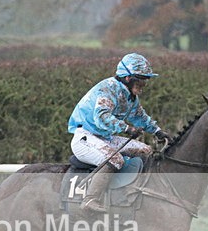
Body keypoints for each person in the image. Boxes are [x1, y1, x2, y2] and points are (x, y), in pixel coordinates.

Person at [68, 52, 172, 213]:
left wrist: (158, 131)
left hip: (104, 138)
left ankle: (135, 192)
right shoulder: (108, 88)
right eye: (141, 79)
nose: (144, 84)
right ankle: (90, 199)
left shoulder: (130, 97)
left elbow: (140, 117)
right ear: (128, 78)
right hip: (85, 138)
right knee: (116, 159)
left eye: (146, 80)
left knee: (146, 151)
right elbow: (102, 117)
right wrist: (127, 128)